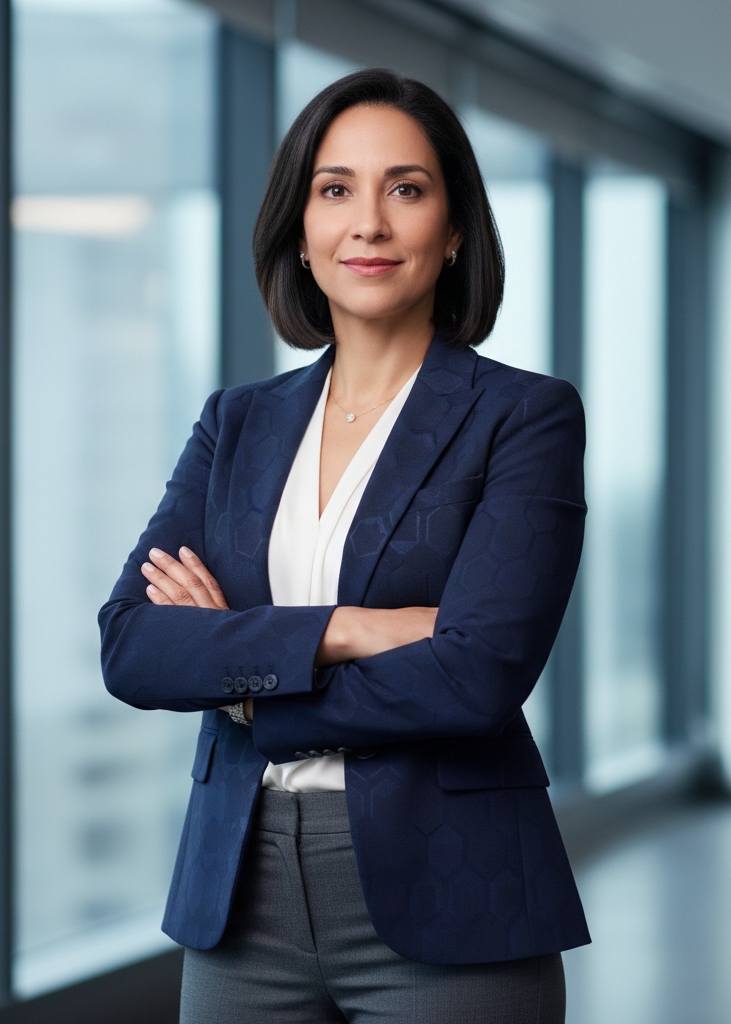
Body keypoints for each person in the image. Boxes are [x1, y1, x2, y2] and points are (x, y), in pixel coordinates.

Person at [99, 67, 590, 1024]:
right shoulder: (236, 424)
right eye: (336, 190)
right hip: (240, 895)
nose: (368, 222)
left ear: (452, 233)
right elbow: (132, 645)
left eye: (405, 189)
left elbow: (477, 674)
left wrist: (245, 690)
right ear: (301, 231)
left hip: (452, 889)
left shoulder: (522, 417)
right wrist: (350, 629)